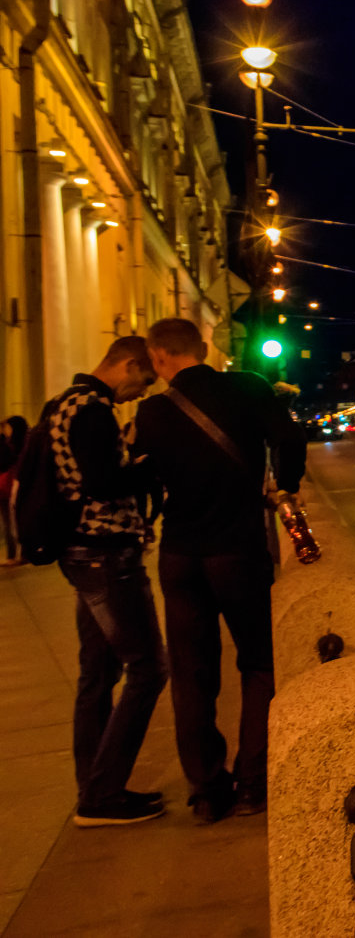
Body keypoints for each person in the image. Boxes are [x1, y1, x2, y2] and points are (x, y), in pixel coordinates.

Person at [132, 318, 307, 822]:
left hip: (180, 555)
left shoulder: (154, 410)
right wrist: (286, 485)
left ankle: (207, 792)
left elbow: (148, 475)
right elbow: (289, 438)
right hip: (237, 549)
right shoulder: (246, 386)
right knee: (258, 661)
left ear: (159, 357)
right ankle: (252, 782)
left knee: (191, 675)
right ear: (204, 347)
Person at [45, 338, 168, 827]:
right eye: (144, 380)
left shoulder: (61, 404)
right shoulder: (93, 410)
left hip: (81, 553)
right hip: (106, 555)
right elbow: (103, 482)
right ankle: (102, 794)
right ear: (129, 364)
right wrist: (151, 464)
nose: (140, 392)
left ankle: (93, 788)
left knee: (96, 674)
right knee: (148, 669)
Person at [1, 415, 27, 566]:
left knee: (12, 522)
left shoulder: (13, 445)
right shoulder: (14, 444)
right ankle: (20, 554)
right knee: (12, 522)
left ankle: (17, 554)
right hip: (11, 485)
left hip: (12, 486)